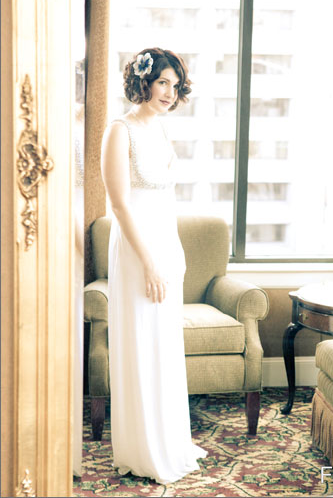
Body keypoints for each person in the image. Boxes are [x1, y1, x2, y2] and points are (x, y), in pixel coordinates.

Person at [101, 47, 207, 484]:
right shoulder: (119, 131)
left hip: (165, 246)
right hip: (136, 250)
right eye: (163, 82)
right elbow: (120, 206)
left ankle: (169, 441)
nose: (169, 92)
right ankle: (142, 450)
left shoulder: (161, 129)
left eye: (175, 85)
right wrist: (147, 262)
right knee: (141, 342)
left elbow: (166, 199)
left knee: (163, 346)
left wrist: (173, 252)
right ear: (143, 82)